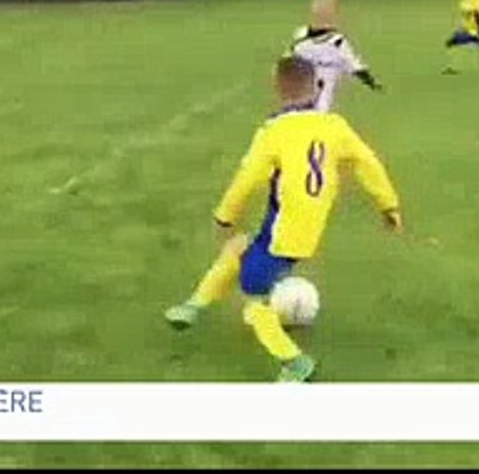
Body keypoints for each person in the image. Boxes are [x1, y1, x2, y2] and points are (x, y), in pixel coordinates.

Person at [163, 56, 404, 383]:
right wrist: (388, 205)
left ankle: (294, 361)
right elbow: (367, 162)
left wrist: (225, 215)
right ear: (316, 87)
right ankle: (193, 306)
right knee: (239, 248)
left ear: (277, 88)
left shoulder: (273, 131)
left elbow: (248, 177)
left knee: (254, 303)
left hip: (285, 232)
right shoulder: (334, 126)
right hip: (304, 225)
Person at [288, 0, 383, 112]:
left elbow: (354, 66)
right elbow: (354, 65)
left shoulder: (330, 40)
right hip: (314, 78)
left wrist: (370, 81)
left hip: (312, 80)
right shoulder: (334, 41)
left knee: (311, 108)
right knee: (319, 108)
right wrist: (371, 82)